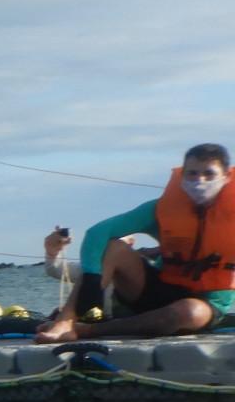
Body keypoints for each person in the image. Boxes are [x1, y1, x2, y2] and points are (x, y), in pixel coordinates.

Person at [36, 144, 234, 341]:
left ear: (225, 177)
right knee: (114, 247)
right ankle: (65, 322)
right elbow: (98, 233)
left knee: (189, 311)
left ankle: (87, 331)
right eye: (192, 173)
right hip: (157, 289)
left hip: (206, 304)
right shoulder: (159, 209)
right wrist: (92, 279)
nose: (200, 180)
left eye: (209, 174)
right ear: (182, 176)